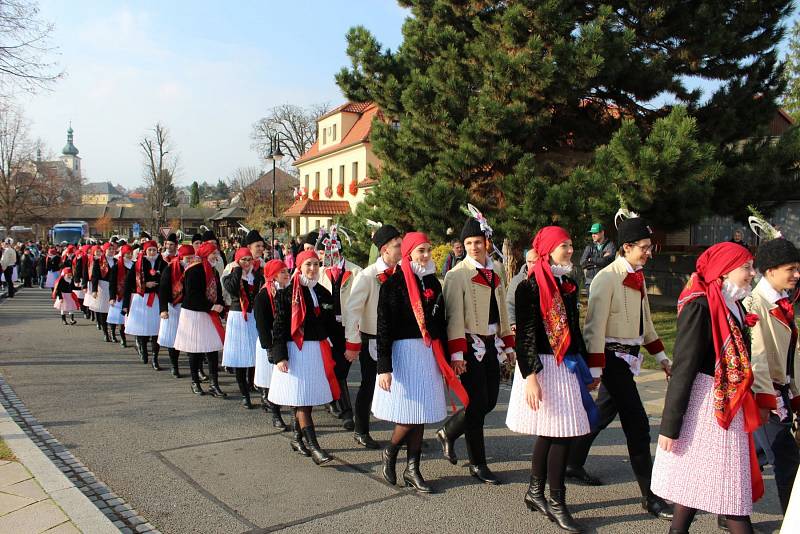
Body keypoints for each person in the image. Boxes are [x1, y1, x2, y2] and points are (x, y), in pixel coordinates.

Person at [652, 242, 763, 534]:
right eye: (746, 267)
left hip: (728, 407)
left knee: (702, 485)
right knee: (731, 497)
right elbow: (684, 369)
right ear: (724, 271)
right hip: (706, 408)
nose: (752, 273)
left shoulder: (734, 304)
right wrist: (669, 426)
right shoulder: (700, 306)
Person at [568, 213, 673, 520]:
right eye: (644, 246)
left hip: (629, 359)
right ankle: (650, 496)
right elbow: (594, 328)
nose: (649, 252)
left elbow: (647, 325)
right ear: (626, 247)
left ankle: (571, 463)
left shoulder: (637, 276)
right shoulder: (606, 278)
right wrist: (596, 372)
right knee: (638, 424)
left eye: (649, 246)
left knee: (600, 414)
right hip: (612, 360)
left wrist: (663, 357)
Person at [506, 227, 598, 533]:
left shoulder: (568, 283)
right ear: (547, 251)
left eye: (571, 245)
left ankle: (536, 492)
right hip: (543, 367)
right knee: (558, 434)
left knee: (555, 433)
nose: (570, 250)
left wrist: (586, 369)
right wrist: (530, 377)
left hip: (566, 365)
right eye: (564, 246)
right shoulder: (528, 288)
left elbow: (574, 329)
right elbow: (526, 338)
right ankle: (555, 501)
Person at [374, 231, 467, 493]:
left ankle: (413, 469)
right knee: (409, 413)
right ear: (409, 253)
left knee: (422, 412)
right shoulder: (393, 284)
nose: (426, 256)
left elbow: (441, 324)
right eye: (420, 251)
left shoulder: (433, 284)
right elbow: (384, 328)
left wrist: (450, 358)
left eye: (428, 250)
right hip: (404, 354)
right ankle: (391, 451)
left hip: (428, 354)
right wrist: (384, 367)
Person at [438, 211, 515, 484]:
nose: (474, 247)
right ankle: (478, 463)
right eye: (469, 243)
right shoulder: (457, 275)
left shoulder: (495, 269)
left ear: (487, 241)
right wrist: (457, 354)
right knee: (476, 402)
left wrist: (507, 344)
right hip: (470, 345)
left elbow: (502, 310)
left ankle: (448, 431)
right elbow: (454, 317)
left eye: (478, 241)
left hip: (493, 341)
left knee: (490, 400)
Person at [744, 236, 800, 513]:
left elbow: (792, 355)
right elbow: (759, 359)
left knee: (751, 455)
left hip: (782, 391)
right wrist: (767, 401)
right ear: (770, 271)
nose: (797, 274)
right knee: (786, 456)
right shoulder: (754, 305)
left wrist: (796, 395)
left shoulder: (781, 301)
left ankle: (725, 508)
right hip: (764, 395)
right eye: (791, 268)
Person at [268, 249, 339, 465]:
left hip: (315, 351)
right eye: (308, 264)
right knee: (302, 402)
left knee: (305, 400)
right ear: (299, 267)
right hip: (295, 351)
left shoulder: (323, 292)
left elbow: (332, 323)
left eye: (316, 264)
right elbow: (279, 326)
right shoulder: (287, 293)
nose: (313, 269)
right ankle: (315, 447)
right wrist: (280, 356)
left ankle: (298, 438)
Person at [344, 225, 403, 449]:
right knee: (369, 384)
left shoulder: (403, 272)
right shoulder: (368, 276)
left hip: (398, 338)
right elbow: (352, 310)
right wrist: (352, 341)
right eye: (398, 245)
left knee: (400, 386)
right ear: (384, 250)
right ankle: (361, 429)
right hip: (373, 339)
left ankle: (405, 429)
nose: (401, 249)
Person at [317, 227, 362, 430]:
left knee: (342, 367)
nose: (326, 256)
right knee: (335, 369)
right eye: (323, 252)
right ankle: (346, 411)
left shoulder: (356, 272)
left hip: (349, 326)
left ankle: (334, 400)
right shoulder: (318, 272)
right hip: (327, 327)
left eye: (329, 251)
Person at [174, 242, 226, 396]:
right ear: (205, 254)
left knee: (212, 349)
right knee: (195, 350)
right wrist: (210, 306)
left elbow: (218, 291)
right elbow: (192, 294)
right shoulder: (194, 269)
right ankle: (195, 381)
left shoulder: (213, 270)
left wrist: (221, 306)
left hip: (209, 312)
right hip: (194, 313)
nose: (216, 256)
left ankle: (213, 384)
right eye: (213, 254)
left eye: (216, 253)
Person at [221, 247, 263, 408]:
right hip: (238, 316)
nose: (246, 263)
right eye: (243, 260)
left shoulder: (257, 275)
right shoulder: (230, 275)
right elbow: (231, 289)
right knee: (239, 358)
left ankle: (252, 383)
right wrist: (237, 270)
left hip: (253, 317)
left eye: (249, 259)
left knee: (254, 354)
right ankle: (245, 395)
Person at [254, 259, 291, 430]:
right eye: (282, 272)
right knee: (272, 382)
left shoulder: (288, 291)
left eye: (286, 271)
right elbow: (261, 324)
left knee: (286, 380)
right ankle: (276, 415)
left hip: (285, 341)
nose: (287, 274)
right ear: (274, 274)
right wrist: (269, 348)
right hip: (269, 342)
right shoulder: (264, 295)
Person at [123, 240, 167, 367]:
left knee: (156, 330)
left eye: (154, 250)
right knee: (142, 329)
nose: (152, 252)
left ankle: (155, 357)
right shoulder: (138, 264)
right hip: (141, 299)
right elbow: (129, 283)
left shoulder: (162, 264)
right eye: (150, 250)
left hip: (157, 299)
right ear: (145, 251)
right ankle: (144, 351)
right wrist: (144, 285)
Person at [158, 244, 195, 377]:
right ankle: (174, 365)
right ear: (181, 257)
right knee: (174, 338)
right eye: (187, 258)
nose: (190, 260)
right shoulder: (170, 269)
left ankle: (197, 370)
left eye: (192, 257)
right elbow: (162, 290)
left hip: (190, 308)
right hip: (173, 306)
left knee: (192, 338)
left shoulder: (195, 269)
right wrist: (163, 310)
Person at [108, 245, 133, 346]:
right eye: (127, 253)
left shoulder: (134, 265)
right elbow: (112, 283)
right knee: (119, 319)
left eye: (131, 253)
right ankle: (120, 336)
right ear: (123, 254)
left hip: (132, 295)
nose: (130, 255)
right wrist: (112, 297)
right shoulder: (117, 266)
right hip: (119, 295)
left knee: (129, 318)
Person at [579, 223, 616, 292]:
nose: (593, 235)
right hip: (590, 282)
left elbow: (607, 261)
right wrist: (601, 258)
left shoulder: (610, 245)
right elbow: (582, 262)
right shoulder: (589, 246)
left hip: (605, 281)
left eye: (595, 233)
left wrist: (591, 259)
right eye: (592, 233)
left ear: (602, 232)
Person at [89, 243, 114, 342]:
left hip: (114, 288)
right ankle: (105, 332)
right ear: (105, 250)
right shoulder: (99, 262)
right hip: (103, 287)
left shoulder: (116, 261)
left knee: (112, 311)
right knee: (104, 311)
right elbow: (94, 277)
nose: (111, 251)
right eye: (109, 249)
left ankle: (112, 331)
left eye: (113, 249)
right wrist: (94, 290)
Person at [507, 249, 538, 328]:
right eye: (529, 262)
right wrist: (512, 323)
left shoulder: (547, 278)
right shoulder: (517, 280)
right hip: (524, 327)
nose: (531, 265)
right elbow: (510, 303)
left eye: (534, 262)